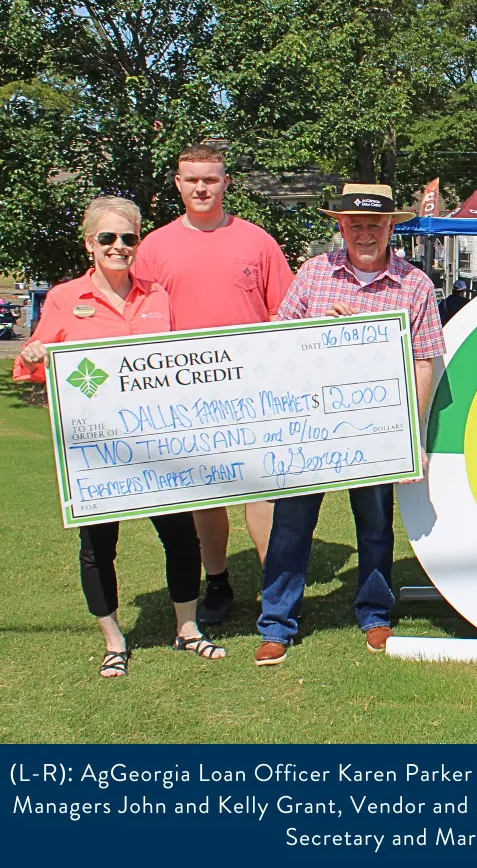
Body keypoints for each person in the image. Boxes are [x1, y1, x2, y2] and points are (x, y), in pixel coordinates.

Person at [13, 197, 225, 677]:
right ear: (90, 242)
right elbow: (33, 366)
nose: (118, 247)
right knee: (98, 547)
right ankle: (113, 639)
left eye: (128, 238)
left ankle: (187, 628)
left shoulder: (157, 296)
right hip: (96, 452)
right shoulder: (66, 298)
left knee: (181, 537)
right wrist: (31, 355)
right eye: (107, 238)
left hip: (155, 444)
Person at [254, 183, 445, 666]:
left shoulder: (415, 284)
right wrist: (323, 331)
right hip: (310, 430)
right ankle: (277, 623)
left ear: (390, 228)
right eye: (355, 224)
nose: (364, 233)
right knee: (290, 525)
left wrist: (411, 436)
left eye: (374, 225)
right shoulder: (313, 274)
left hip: (377, 432)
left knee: (376, 527)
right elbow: (278, 342)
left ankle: (375, 614)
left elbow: (425, 363)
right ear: (340, 226)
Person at [137, 142, 294, 625]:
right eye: (192, 179)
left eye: (211, 178)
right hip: (187, 393)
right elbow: (136, 320)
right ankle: (219, 583)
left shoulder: (257, 242)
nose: (202, 187)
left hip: (253, 389)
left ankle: (275, 589)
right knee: (206, 495)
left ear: (226, 182)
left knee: (262, 490)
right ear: (178, 183)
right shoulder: (154, 248)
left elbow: (284, 313)